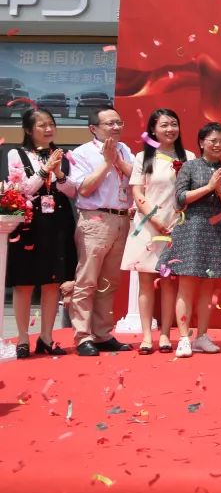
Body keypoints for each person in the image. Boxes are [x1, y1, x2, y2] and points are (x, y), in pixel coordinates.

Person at [121, 108, 193, 353]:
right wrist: (155, 220)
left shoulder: (188, 156)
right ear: (153, 129)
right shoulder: (143, 157)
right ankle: (146, 336)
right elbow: (137, 192)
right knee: (145, 281)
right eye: (164, 125)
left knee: (169, 282)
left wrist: (174, 222)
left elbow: (189, 193)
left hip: (176, 226)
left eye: (174, 124)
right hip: (147, 225)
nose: (170, 129)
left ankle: (164, 335)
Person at [5, 108, 76, 358]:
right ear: (28, 130)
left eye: (51, 124)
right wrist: (45, 170)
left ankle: (47, 337)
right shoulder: (16, 153)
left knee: (52, 281)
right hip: (29, 221)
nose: (48, 129)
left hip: (57, 220)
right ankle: (23, 338)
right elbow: (22, 188)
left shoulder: (63, 155)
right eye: (42, 125)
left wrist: (59, 174)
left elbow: (73, 192)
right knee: (24, 282)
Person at [158, 122, 221, 358]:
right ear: (201, 142)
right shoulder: (189, 167)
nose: (218, 145)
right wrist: (209, 187)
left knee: (208, 287)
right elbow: (180, 199)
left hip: (216, 230)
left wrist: (220, 190)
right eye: (213, 140)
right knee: (186, 286)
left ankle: (201, 335)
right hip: (191, 229)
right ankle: (183, 337)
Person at [68, 106, 135, 356]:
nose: (116, 127)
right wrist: (107, 163)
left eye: (119, 122)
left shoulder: (125, 149)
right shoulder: (82, 153)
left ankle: (102, 333)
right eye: (110, 124)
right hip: (95, 219)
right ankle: (83, 336)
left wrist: (117, 160)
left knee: (109, 281)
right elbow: (84, 188)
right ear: (93, 128)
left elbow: (137, 178)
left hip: (121, 218)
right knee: (87, 280)